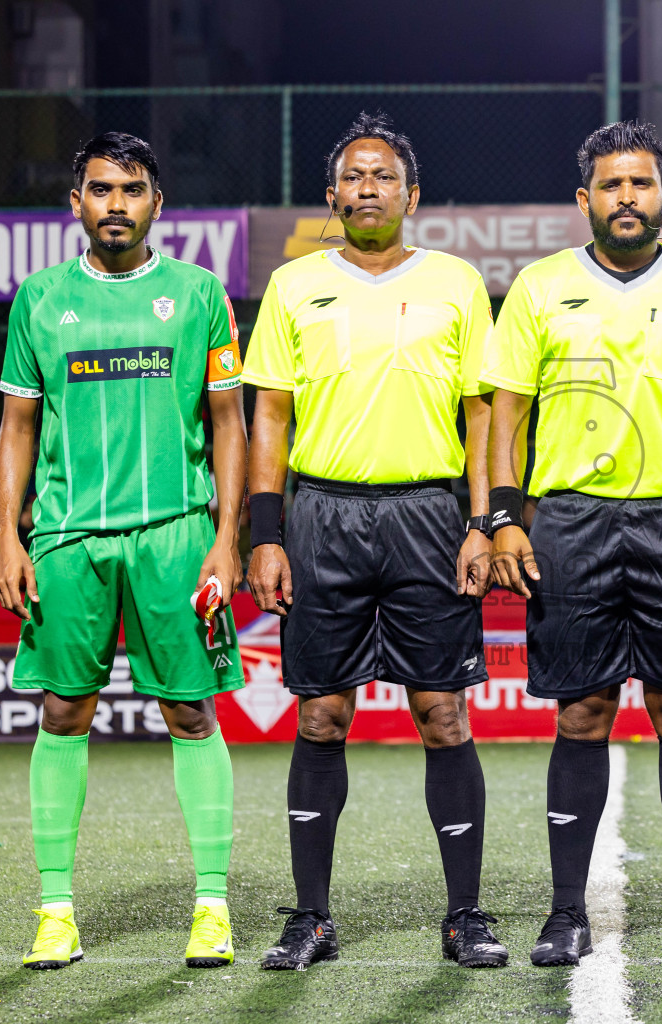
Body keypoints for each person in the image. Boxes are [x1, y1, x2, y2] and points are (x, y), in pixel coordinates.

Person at [485, 121, 662, 968]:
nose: (627, 198)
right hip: (569, 521)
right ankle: (568, 911)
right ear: (586, 200)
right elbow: (506, 412)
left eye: (641, 184)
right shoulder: (537, 288)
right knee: (583, 711)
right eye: (611, 185)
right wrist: (501, 515)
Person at [241, 113, 506, 971]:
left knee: (441, 712)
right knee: (321, 715)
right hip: (323, 517)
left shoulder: (459, 283)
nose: (367, 188)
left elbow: (481, 413)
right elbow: (269, 415)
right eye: (353, 176)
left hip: (430, 518)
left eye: (382, 176)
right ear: (332, 196)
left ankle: (464, 915)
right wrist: (266, 533)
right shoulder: (292, 286)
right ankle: (311, 917)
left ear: (412, 195)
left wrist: (481, 524)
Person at [0, 132, 248, 970]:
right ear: (76, 203)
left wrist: (226, 539)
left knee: (189, 711)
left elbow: (228, 422)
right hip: (67, 539)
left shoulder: (200, 294)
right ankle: (55, 908)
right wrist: (8, 532)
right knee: (63, 711)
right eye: (100, 190)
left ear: (156, 204)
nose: (115, 204)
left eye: (132, 190)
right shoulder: (38, 299)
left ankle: (212, 906)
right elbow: (18, 425)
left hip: (176, 534)